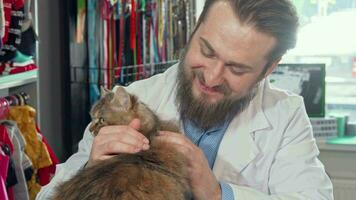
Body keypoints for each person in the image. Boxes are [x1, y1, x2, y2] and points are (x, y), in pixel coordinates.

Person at [37, 0, 333, 199]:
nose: (213, 77)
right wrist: (91, 171)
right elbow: (46, 195)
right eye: (207, 51)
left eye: (236, 68)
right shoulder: (135, 98)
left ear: (269, 68)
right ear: (193, 32)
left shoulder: (285, 116)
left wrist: (218, 193)